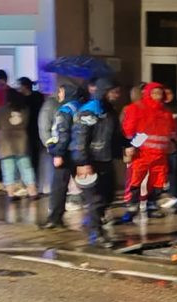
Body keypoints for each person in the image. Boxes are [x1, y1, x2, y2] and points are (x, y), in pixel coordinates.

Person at [71, 78, 124, 248]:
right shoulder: (89, 112)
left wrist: (130, 145)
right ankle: (96, 233)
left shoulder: (110, 112)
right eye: (114, 92)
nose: (117, 95)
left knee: (108, 195)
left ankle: (94, 223)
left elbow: (116, 136)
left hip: (105, 159)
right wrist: (83, 162)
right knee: (96, 199)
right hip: (91, 161)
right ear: (104, 91)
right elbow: (80, 139)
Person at [120, 82, 176, 221]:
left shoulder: (166, 112)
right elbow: (129, 130)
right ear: (147, 93)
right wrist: (131, 146)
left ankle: (151, 205)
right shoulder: (136, 108)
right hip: (142, 152)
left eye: (160, 93)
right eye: (154, 93)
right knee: (135, 180)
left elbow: (171, 131)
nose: (157, 96)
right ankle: (132, 206)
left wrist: (171, 143)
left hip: (160, 154)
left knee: (157, 181)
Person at [41, 82, 86, 229]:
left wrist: (58, 153)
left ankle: (54, 218)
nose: (59, 95)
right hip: (79, 152)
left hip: (66, 153)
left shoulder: (65, 110)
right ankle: (100, 215)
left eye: (60, 92)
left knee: (59, 186)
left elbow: (63, 133)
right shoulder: (80, 107)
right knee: (88, 185)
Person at [0, 91, 37, 200]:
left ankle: (11, 194)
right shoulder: (25, 109)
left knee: (8, 169)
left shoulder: (1, 110)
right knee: (26, 168)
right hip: (21, 141)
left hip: (5, 142)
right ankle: (33, 192)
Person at [17, 77, 46, 192]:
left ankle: (30, 183)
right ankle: (32, 183)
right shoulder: (38, 96)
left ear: (24, 86)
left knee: (31, 157)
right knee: (32, 157)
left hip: (30, 131)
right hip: (33, 131)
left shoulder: (25, 99)